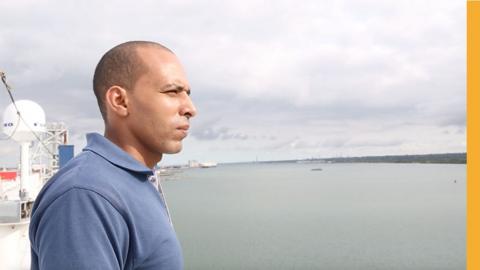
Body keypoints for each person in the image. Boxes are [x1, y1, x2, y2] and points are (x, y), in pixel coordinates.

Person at [29, 41, 197, 270]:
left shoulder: (135, 179)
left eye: (187, 94)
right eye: (172, 92)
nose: (190, 108)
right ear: (119, 101)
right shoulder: (85, 195)